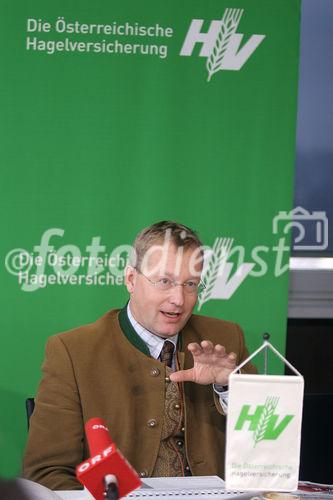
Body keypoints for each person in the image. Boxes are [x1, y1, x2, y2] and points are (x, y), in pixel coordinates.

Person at [23, 221, 256, 490]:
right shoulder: (73, 351)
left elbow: (267, 453)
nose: (178, 299)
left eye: (190, 284)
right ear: (131, 279)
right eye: (164, 281)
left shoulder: (225, 340)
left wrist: (227, 388)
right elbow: (46, 471)